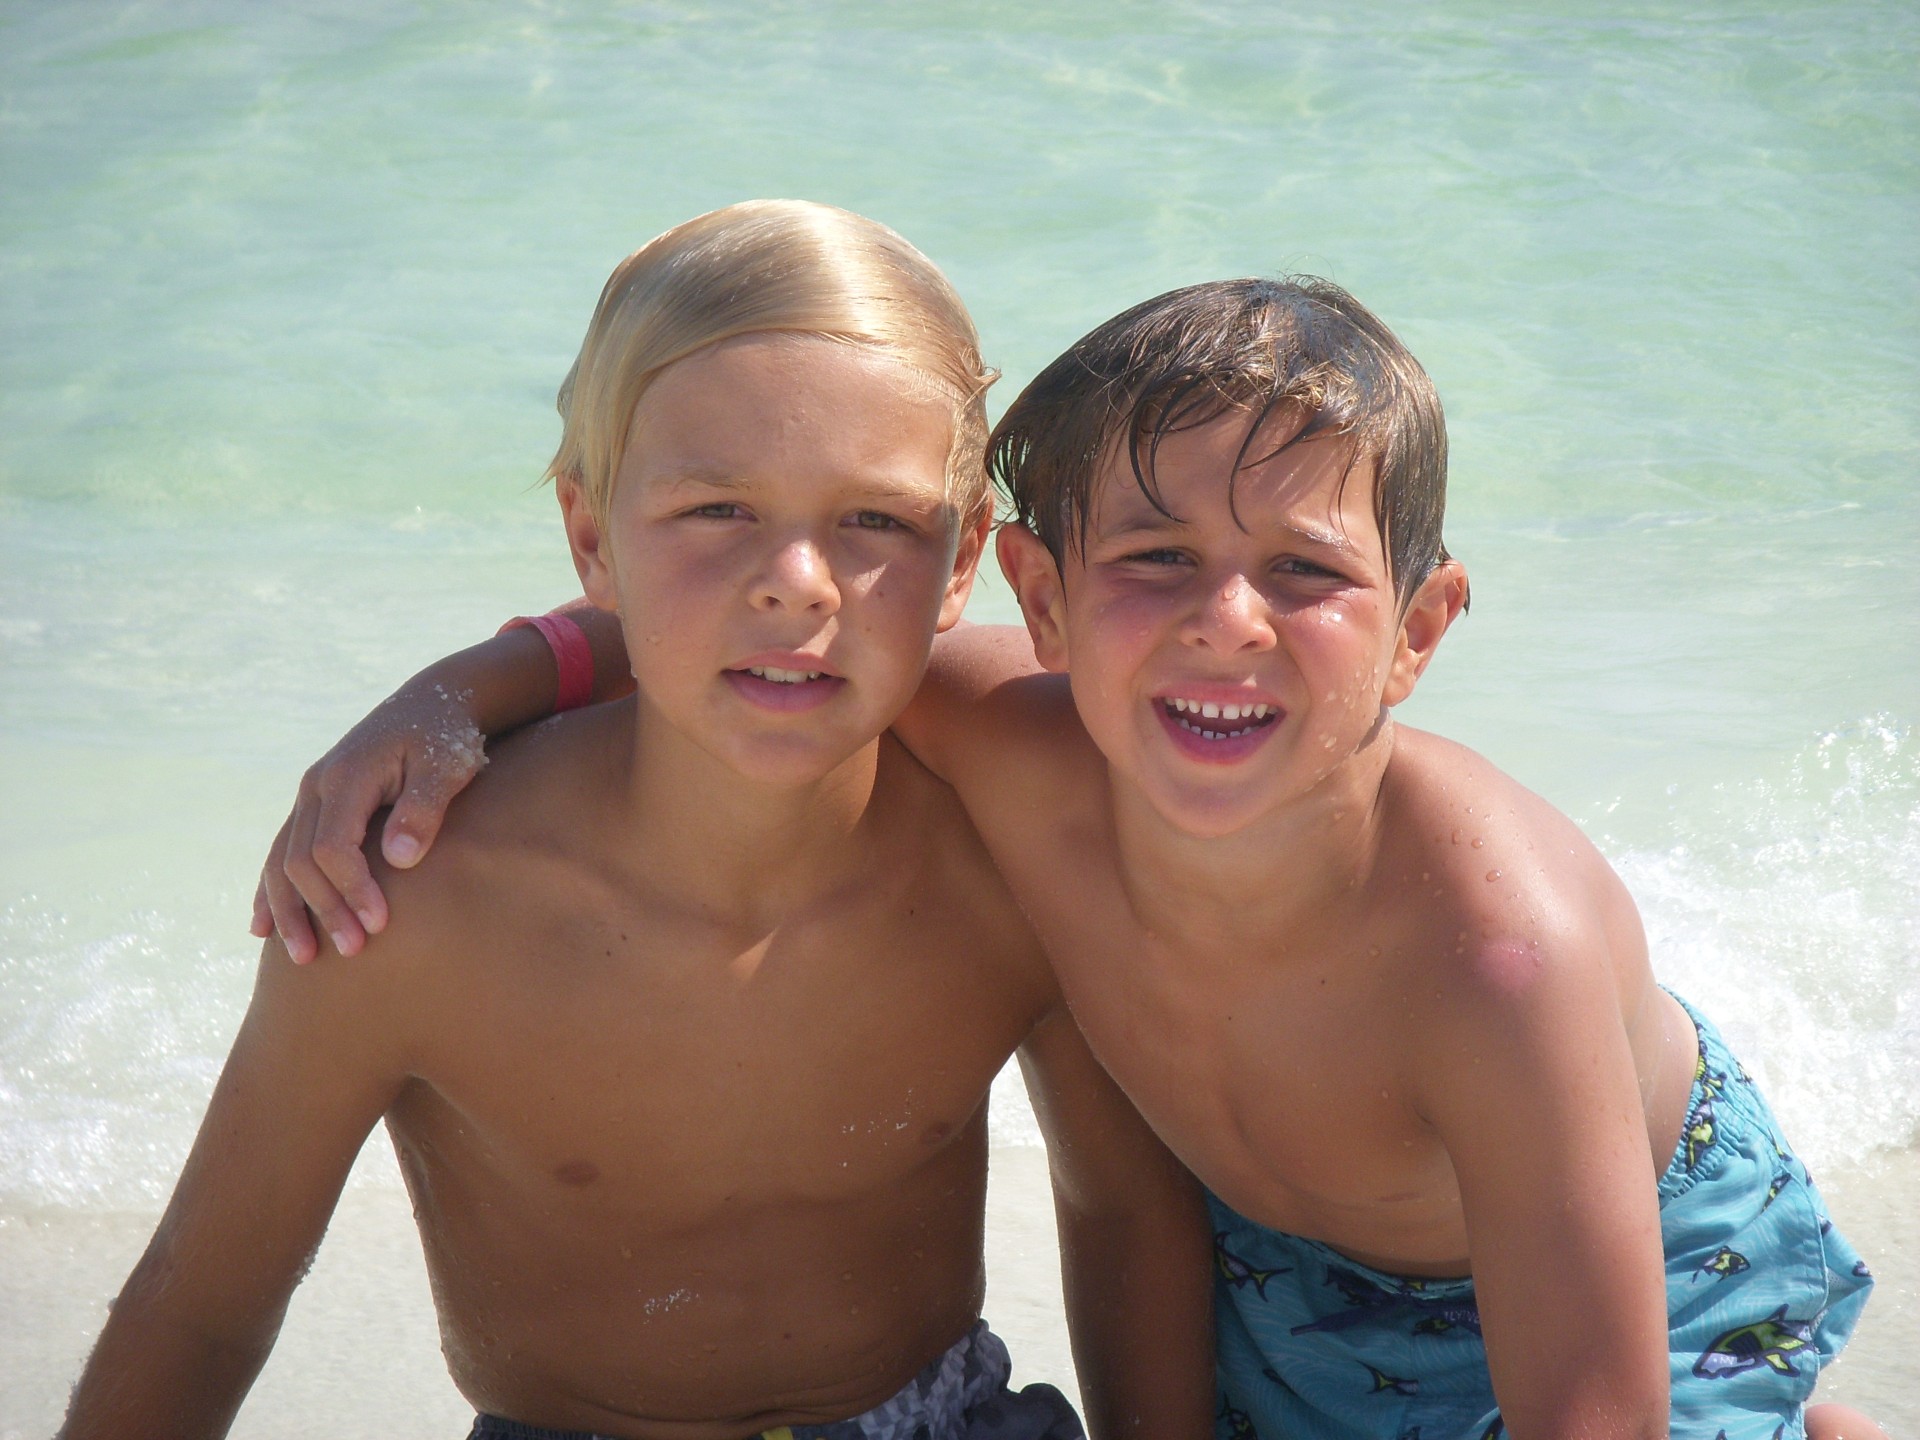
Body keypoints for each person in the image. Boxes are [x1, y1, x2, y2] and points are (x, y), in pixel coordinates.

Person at [260, 277, 1885, 1440]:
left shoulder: (1493, 956)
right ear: (1036, 597)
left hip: (1624, 1239)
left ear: (1421, 632)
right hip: (1284, 1256)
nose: (1221, 622)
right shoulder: (1008, 741)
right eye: (1157, 558)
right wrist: (460, 689)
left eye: (1304, 573)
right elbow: (742, 634)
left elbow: (1590, 1411)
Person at [60, 201, 1216, 1440]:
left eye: (874, 520)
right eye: (717, 510)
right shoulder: (414, 898)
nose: (798, 578)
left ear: (967, 555)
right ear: (589, 536)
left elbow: (1126, 1210)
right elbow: (204, 1307)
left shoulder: (1007, 854)